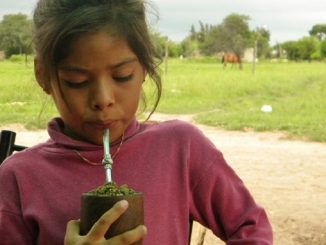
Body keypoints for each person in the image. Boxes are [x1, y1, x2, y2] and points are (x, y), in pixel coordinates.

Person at [0, 0, 273, 244]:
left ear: (144, 68)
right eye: (77, 82)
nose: (103, 99)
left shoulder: (180, 148)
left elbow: (251, 227)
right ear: (43, 75)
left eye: (122, 76)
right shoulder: (17, 180)